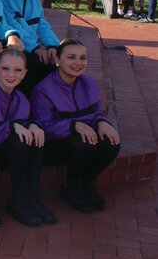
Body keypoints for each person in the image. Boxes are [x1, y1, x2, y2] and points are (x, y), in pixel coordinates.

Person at [31, 39, 121, 212]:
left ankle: (86, 182)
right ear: (57, 60)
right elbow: (44, 125)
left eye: (83, 58)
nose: (78, 63)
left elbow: (96, 112)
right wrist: (74, 125)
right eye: (71, 57)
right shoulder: (43, 89)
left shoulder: (89, 84)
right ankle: (71, 188)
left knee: (111, 142)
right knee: (83, 143)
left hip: (83, 139)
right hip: (55, 144)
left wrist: (102, 122)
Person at [0, 50, 56, 227]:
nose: (11, 74)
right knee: (20, 141)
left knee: (36, 137)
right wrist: (10, 127)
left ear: (24, 73)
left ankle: (32, 196)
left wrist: (33, 125)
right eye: (5, 68)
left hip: (13, 149)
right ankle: (17, 200)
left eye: (18, 70)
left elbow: (25, 121)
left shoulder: (20, 98)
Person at [0, 0, 59, 91]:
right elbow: (13, 26)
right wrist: (35, 48)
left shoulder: (35, 1)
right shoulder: (2, 0)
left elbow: (43, 26)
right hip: (14, 46)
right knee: (36, 63)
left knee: (55, 61)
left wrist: (52, 45)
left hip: (33, 48)